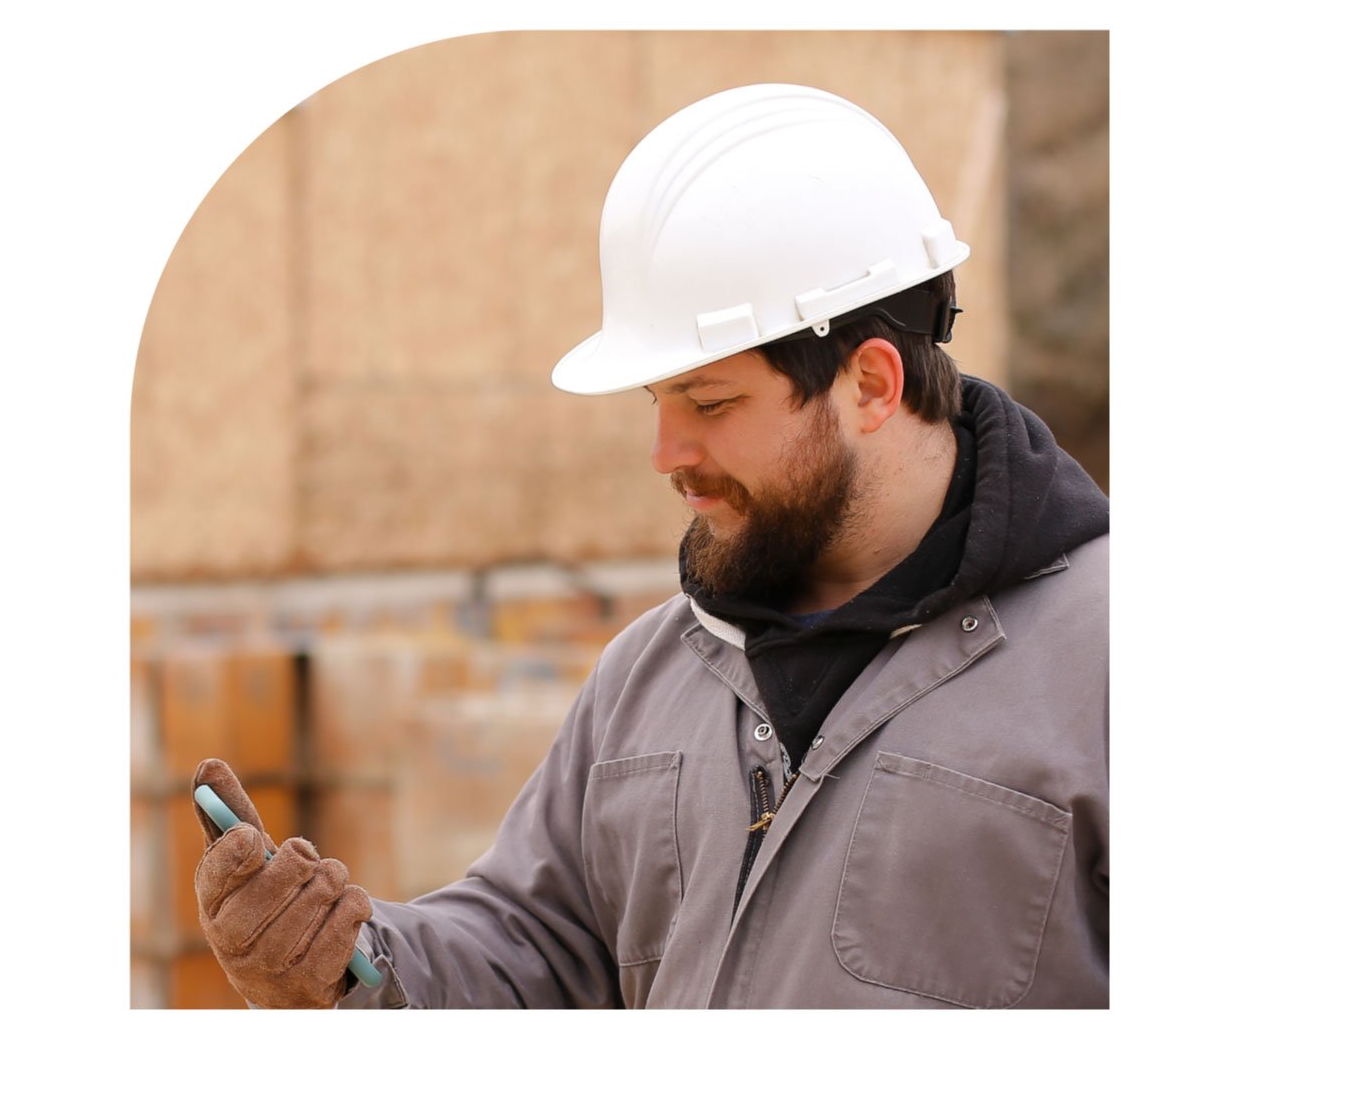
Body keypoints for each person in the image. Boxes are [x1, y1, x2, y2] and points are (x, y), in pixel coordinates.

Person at [192, 83, 1109, 1009]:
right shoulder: (651, 674)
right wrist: (355, 965)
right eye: (657, 405)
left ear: (870, 384)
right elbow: (534, 953)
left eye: (710, 404)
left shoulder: (1107, 663)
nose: (666, 455)